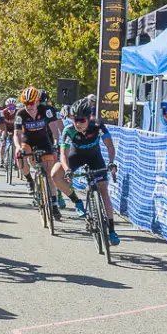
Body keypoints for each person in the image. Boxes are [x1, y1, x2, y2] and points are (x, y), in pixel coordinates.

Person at [51, 99, 120, 245]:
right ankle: (77, 201)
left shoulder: (97, 126)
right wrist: (68, 169)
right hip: (75, 156)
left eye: (82, 120)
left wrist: (111, 162)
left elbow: (110, 147)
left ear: (88, 118)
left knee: (104, 191)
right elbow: (63, 155)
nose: (78, 123)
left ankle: (112, 230)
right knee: (55, 173)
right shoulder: (68, 130)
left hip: (95, 157)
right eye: (75, 120)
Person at [14, 86, 63, 220]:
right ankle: (30, 180)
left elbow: (54, 129)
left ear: (37, 101)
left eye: (31, 103)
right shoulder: (20, 114)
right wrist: (18, 147)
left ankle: (54, 203)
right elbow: (17, 134)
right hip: (27, 141)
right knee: (20, 157)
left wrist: (55, 143)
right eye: (26, 104)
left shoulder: (46, 110)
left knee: (49, 173)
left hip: (43, 141)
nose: (28, 106)